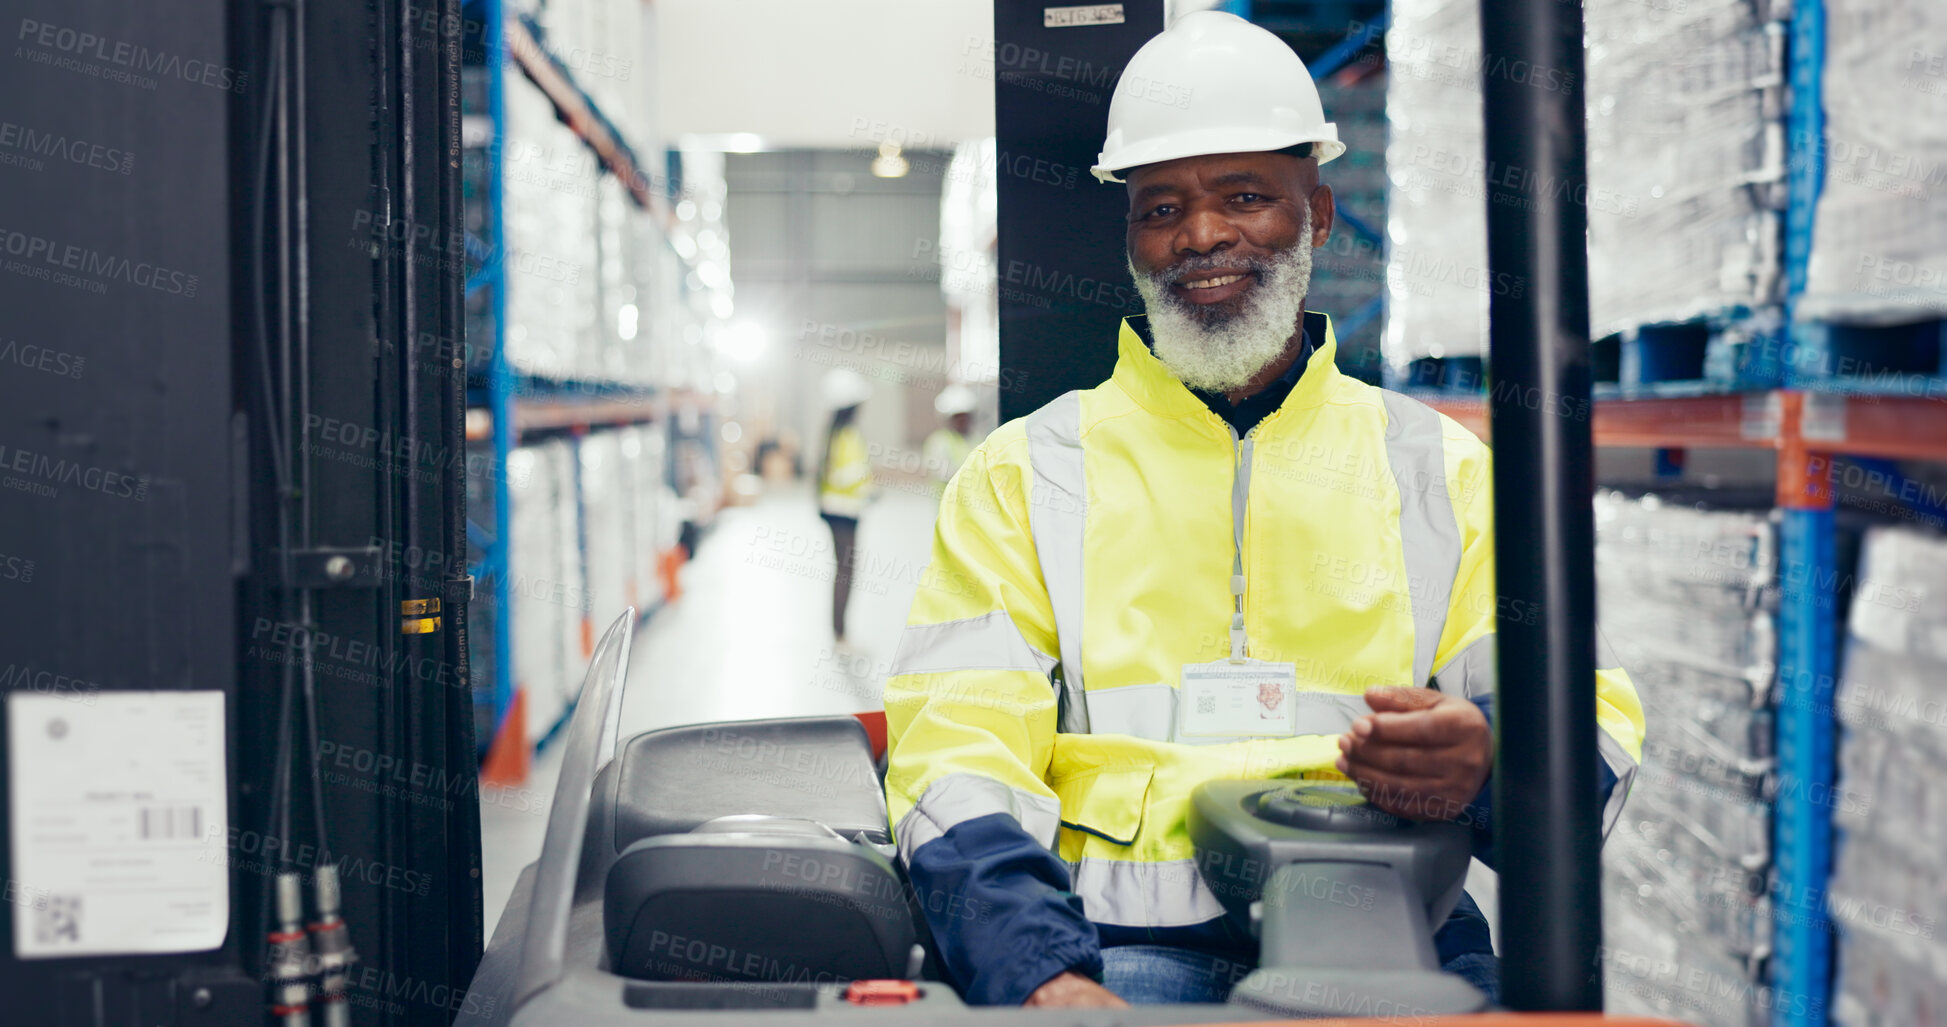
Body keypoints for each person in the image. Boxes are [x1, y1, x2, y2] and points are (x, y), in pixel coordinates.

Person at [881, 11, 1647, 1010]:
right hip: (1116, 950)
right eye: (1162, 208)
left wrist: (1490, 759)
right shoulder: (1027, 472)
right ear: (1131, 239)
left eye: (1246, 197)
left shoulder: (1439, 469)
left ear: (1318, 215)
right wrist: (1039, 971)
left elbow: (1595, 717)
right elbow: (956, 745)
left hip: (1396, 930)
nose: (1202, 236)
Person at [817, 369, 873, 643]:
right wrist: (866, 484)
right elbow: (843, 474)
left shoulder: (834, 433)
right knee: (846, 570)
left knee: (844, 569)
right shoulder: (846, 435)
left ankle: (839, 631)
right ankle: (839, 634)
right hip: (844, 511)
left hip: (837, 509)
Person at [921, 384, 979, 496]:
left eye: (965, 416)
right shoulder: (938, 442)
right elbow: (943, 473)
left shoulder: (978, 439)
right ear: (948, 418)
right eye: (958, 417)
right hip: (948, 510)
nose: (963, 421)